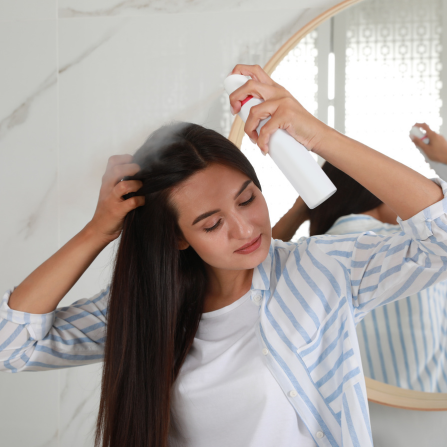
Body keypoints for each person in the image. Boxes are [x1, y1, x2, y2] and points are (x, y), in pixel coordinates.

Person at [1, 64, 447, 447]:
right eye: (211, 224)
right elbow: (12, 344)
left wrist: (317, 135)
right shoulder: (147, 307)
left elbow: (440, 240)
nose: (245, 229)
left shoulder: (321, 272)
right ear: (178, 238)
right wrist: (98, 229)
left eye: (248, 198)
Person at [272, 162, 447, 392]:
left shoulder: (302, 262)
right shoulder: (424, 245)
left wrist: (299, 210)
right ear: (377, 192)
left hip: (354, 419)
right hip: (433, 413)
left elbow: (254, 271)